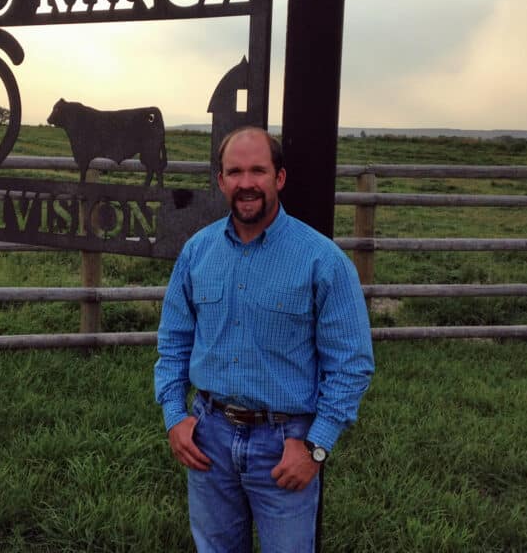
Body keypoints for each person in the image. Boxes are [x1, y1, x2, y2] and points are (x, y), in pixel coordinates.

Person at [154, 126, 375, 553]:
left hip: (286, 444)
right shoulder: (197, 253)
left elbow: (351, 363)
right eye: (235, 172)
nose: (247, 183)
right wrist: (172, 415)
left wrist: (316, 445)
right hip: (208, 437)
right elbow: (174, 341)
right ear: (220, 180)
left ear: (280, 178)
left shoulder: (322, 261)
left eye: (259, 170)